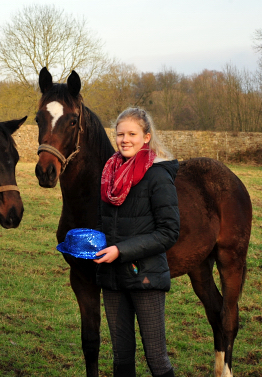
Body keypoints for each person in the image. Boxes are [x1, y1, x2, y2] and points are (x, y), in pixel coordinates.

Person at [94, 107, 180, 377]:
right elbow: (108, 223)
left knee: (156, 359)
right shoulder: (110, 175)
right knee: (121, 359)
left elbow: (169, 232)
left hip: (146, 277)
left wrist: (121, 250)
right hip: (112, 277)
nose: (125, 139)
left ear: (146, 137)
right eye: (120, 134)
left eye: (132, 133)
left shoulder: (158, 176)